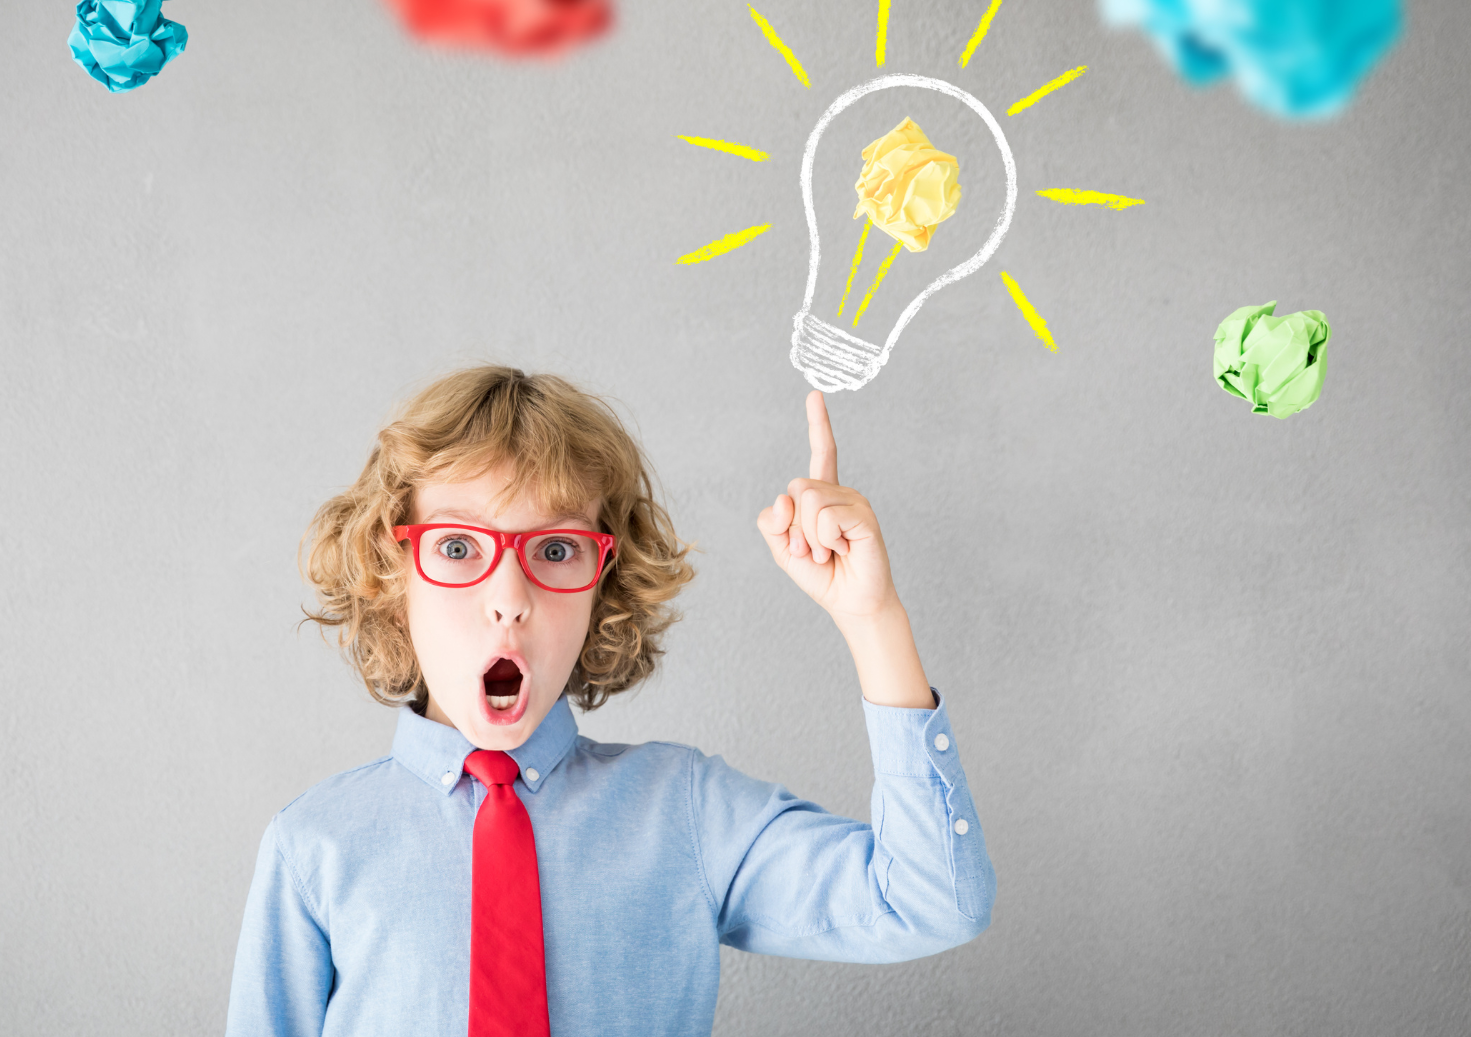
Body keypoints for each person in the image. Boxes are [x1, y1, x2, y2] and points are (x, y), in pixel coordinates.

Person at [225, 366, 993, 1036]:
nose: (508, 599)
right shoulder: (313, 847)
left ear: (603, 586)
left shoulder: (685, 812)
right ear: (394, 581)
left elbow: (931, 900)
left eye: (555, 550)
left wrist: (872, 619)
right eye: (458, 547)